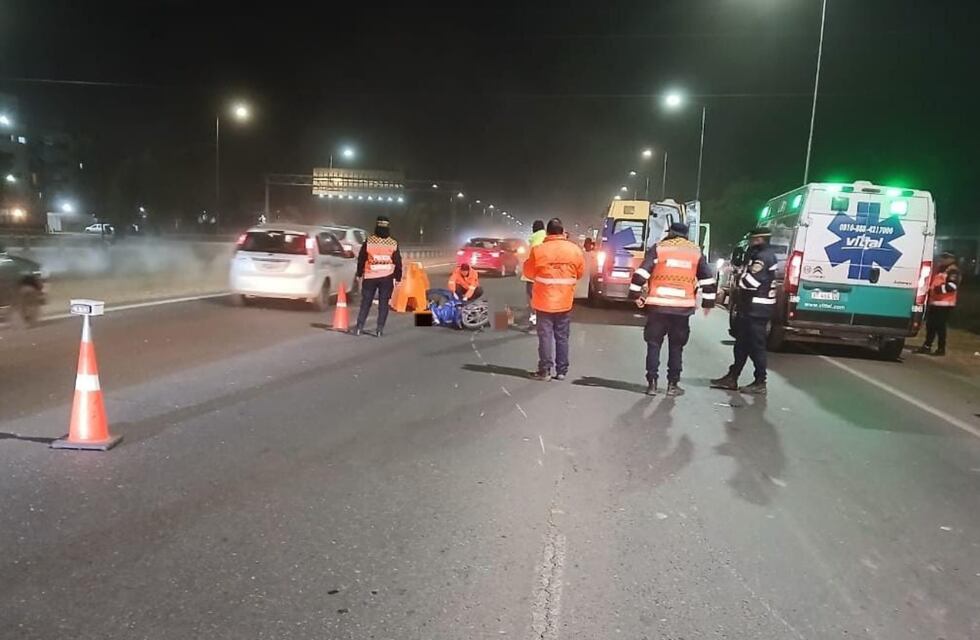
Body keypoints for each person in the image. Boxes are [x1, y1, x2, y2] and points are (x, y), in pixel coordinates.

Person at [629, 222, 716, 397]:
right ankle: (672, 385)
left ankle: (652, 384)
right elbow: (707, 280)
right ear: (686, 235)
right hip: (682, 309)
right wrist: (708, 304)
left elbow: (642, 273)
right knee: (676, 347)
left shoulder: (659, 248)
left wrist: (635, 295)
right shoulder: (694, 251)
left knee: (653, 344)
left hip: (658, 306)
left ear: (670, 233)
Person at [711, 227, 777, 395]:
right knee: (741, 345)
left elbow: (750, 283)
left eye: (752, 239)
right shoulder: (758, 255)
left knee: (756, 347)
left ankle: (760, 381)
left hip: (757, 309)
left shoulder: (763, 257)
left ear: (759, 239)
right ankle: (732, 377)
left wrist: (739, 275)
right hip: (750, 308)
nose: (749, 242)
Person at [522, 218, 585, 381]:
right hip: (565, 301)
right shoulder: (574, 250)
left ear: (548, 232)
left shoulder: (539, 250)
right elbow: (580, 273)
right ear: (562, 231)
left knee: (545, 336)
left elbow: (528, 273)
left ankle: (545, 370)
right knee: (562, 336)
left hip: (544, 301)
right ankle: (562, 371)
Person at [352, 216, 403, 337]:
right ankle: (379, 329)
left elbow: (361, 258)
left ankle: (359, 327)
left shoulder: (369, 241)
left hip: (370, 276)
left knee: (366, 303)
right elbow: (397, 262)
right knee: (383, 304)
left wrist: (359, 274)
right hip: (387, 277)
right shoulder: (393, 243)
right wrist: (398, 277)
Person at [917, 251, 961, 356]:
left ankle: (941, 349)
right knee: (930, 326)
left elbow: (952, 286)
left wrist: (937, 290)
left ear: (952, 259)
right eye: (942, 257)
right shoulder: (942, 269)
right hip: (935, 302)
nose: (942, 260)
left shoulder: (953, 270)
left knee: (940, 327)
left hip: (945, 304)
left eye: (945, 258)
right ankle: (927, 346)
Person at [521, 220, 547, 326]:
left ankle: (534, 321)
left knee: (532, 299)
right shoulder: (547, 239)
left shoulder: (533, 241)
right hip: (546, 276)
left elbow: (529, 259)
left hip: (532, 276)